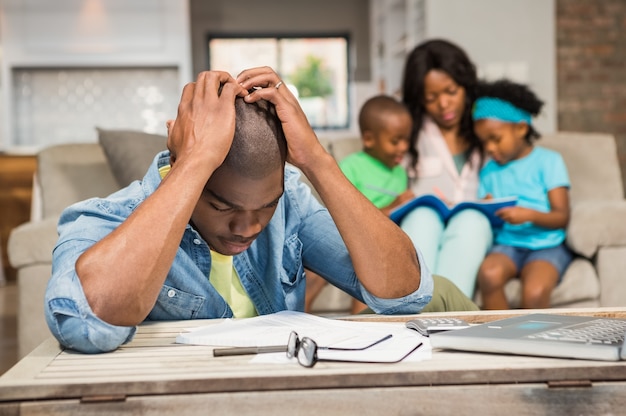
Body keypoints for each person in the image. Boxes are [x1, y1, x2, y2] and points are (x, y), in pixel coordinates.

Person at [45, 67, 437, 354]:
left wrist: (316, 161)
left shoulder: (293, 204)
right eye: (220, 204)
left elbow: (404, 296)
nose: (247, 227)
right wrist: (195, 162)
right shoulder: (104, 218)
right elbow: (85, 326)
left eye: (266, 207)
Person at [398, 39, 492, 299]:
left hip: (473, 220)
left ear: (466, 86)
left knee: (471, 221)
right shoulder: (408, 130)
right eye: (431, 98)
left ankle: (450, 318)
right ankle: (416, 308)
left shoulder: (487, 127)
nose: (444, 105)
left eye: (451, 92)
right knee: (422, 218)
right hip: (425, 218)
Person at [306, 95, 415, 314]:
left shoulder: (400, 173)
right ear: (369, 139)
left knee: (373, 274)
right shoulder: (351, 166)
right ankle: (296, 319)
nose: (403, 147)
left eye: (406, 140)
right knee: (315, 273)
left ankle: (363, 325)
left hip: (383, 242)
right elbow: (346, 214)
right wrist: (395, 204)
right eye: (395, 141)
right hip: (347, 235)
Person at [473, 79, 574, 310]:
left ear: (521, 128)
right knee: (489, 275)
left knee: (535, 291)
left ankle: (531, 345)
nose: (489, 148)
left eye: (495, 139)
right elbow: (490, 222)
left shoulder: (549, 161)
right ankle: (498, 340)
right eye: (484, 142)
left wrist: (529, 215)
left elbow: (561, 217)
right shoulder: (489, 171)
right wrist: (486, 209)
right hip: (507, 244)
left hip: (547, 245)